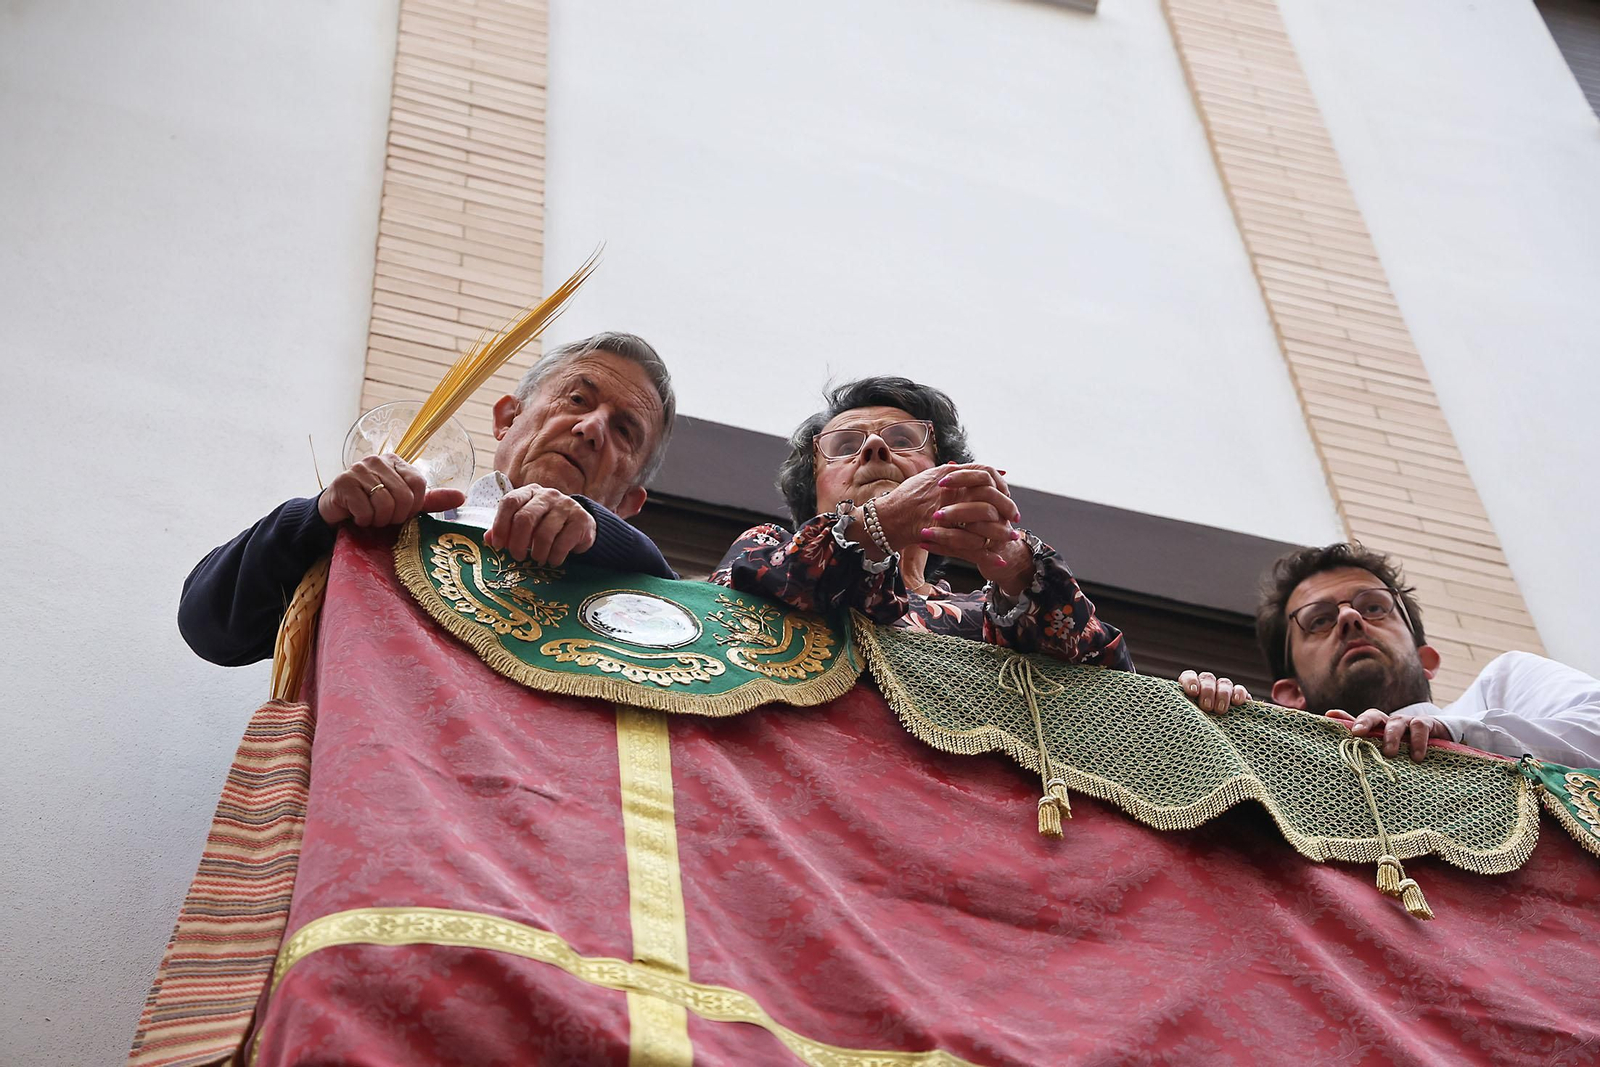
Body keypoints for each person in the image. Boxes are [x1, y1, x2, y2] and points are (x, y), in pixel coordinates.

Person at [179, 332, 678, 666]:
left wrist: (598, 533)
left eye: (624, 430)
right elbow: (209, 626)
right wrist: (317, 517)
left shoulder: (644, 605)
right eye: (577, 399)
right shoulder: (393, 523)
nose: (591, 428)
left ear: (630, 503)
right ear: (506, 418)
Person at [711, 377, 1133, 669]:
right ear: (814, 493)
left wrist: (1020, 568)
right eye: (844, 445)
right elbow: (727, 612)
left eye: (902, 440)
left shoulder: (985, 615)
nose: (875, 446)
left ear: (943, 473)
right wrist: (882, 522)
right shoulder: (764, 551)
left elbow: (1103, 679)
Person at [1191, 541, 1600, 767]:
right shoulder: (1277, 770)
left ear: (1427, 660)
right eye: (1319, 620)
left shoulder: (1504, 686)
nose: (1350, 617)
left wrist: (1457, 737)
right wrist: (1201, 725)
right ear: (1291, 695)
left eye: (1373, 607)